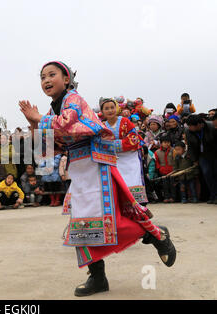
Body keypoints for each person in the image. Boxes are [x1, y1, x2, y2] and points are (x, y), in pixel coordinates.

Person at [19, 60, 175, 297]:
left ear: (67, 79)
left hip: (95, 164)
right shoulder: (52, 110)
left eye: (52, 74)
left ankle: (154, 234)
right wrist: (34, 123)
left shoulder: (73, 99)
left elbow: (67, 124)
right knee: (81, 225)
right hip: (79, 168)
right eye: (42, 77)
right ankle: (98, 276)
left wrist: (39, 118)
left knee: (106, 220)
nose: (46, 80)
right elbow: (48, 147)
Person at [101, 98, 148, 204]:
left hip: (130, 157)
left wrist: (113, 145)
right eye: (106, 108)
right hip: (114, 159)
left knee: (133, 179)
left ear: (116, 109)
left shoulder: (125, 122)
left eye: (112, 107)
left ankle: (139, 206)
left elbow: (134, 137)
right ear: (102, 112)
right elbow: (100, 142)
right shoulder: (102, 126)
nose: (110, 110)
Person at [185, 115, 217, 204]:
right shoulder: (188, 132)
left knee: (215, 173)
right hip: (202, 156)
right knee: (207, 174)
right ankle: (213, 195)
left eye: (191, 126)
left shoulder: (212, 127)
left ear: (199, 125)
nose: (189, 128)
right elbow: (190, 147)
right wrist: (194, 159)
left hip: (214, 154)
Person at [154, 135, 176, 203]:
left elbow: (175, 160)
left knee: (172, 185)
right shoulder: (157, 152)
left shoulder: (173, 150)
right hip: (163, 171)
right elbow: (156, 162)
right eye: (165, 142)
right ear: (161, 143)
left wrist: (174, 169)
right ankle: (166, 197)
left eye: (168, 142)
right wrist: (159, 168)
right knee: (165, 185)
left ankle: (173, 197)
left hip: (172, 171)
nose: (167, 144)